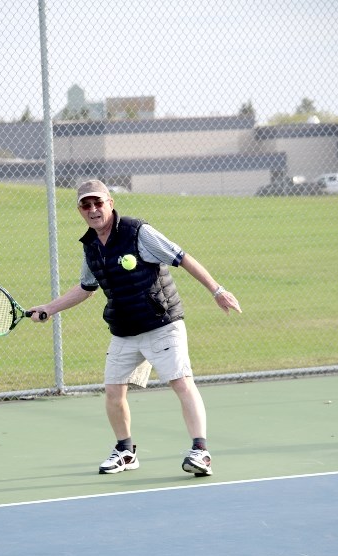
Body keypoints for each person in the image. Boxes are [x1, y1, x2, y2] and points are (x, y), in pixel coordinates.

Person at [29, 180, 242, 476]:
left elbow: (183, 258)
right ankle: (125, 452)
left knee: (181, 382)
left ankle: (201, 453)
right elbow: (87, 287)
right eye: (85, 205)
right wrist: (49, 308)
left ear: (110, 203)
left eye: (98, 203)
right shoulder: (91, 246)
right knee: (114, 392)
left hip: (162, 324)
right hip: (125, 329)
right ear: (80, 210)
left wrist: (217, 290)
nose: (93, 209)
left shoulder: (138, 232)